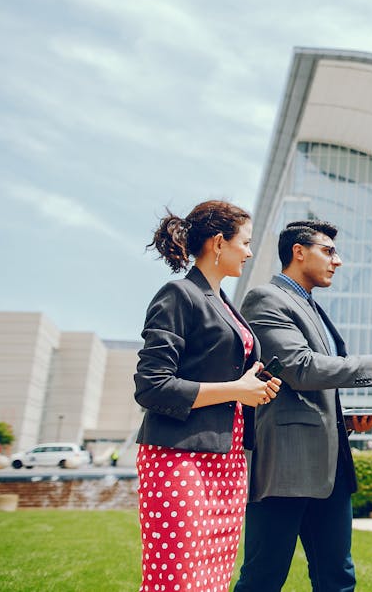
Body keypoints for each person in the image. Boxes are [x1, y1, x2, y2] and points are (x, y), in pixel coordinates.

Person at [234, 220, 372, 592]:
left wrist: (346, 420)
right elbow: (299, 369)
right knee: (264, 577)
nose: (337, 261)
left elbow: (315, 385)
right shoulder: (266, 299)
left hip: (332, 467)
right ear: (298, 252)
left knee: (337, 577)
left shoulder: (312, 307)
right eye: (328, 251)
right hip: (287, 465)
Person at [134, 200, 280, 592]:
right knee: (179, 581)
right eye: (245, 243)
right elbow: (152, 386)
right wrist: (237, 389)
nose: (249, 253)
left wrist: (255, 388)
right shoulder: (178, 295)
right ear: (219, 243)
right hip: (179, 458)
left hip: (229, 462)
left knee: (213, 581)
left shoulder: (227, 305)